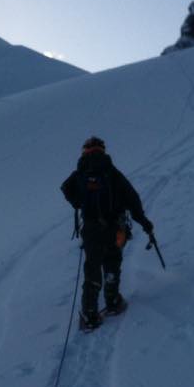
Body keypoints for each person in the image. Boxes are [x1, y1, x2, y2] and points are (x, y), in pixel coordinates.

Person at [60, 136, 154, 330]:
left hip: (91, 229)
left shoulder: (80, 172)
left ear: (85, 151)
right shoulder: (112, 172)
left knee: (92, 267)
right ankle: (112, 301)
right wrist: (145, 223)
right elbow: (132, 199)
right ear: (102, 150)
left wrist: (79, 202)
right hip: (114, 228)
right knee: (112, 262)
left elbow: (65, 188)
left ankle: (90, 314)